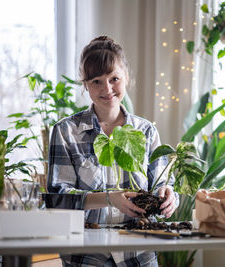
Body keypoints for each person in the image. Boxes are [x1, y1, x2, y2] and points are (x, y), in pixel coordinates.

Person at [47, 36, 178, 267]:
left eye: (114, 79)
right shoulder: (66, 131)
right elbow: (58, 197)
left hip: (139, 253)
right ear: (85, 85)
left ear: (126, 78)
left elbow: (162, 184)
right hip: (85, 254)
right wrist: (109, 199)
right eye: (96, 81)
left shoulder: (146, 131)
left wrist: (169, 197)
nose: (107, 89)